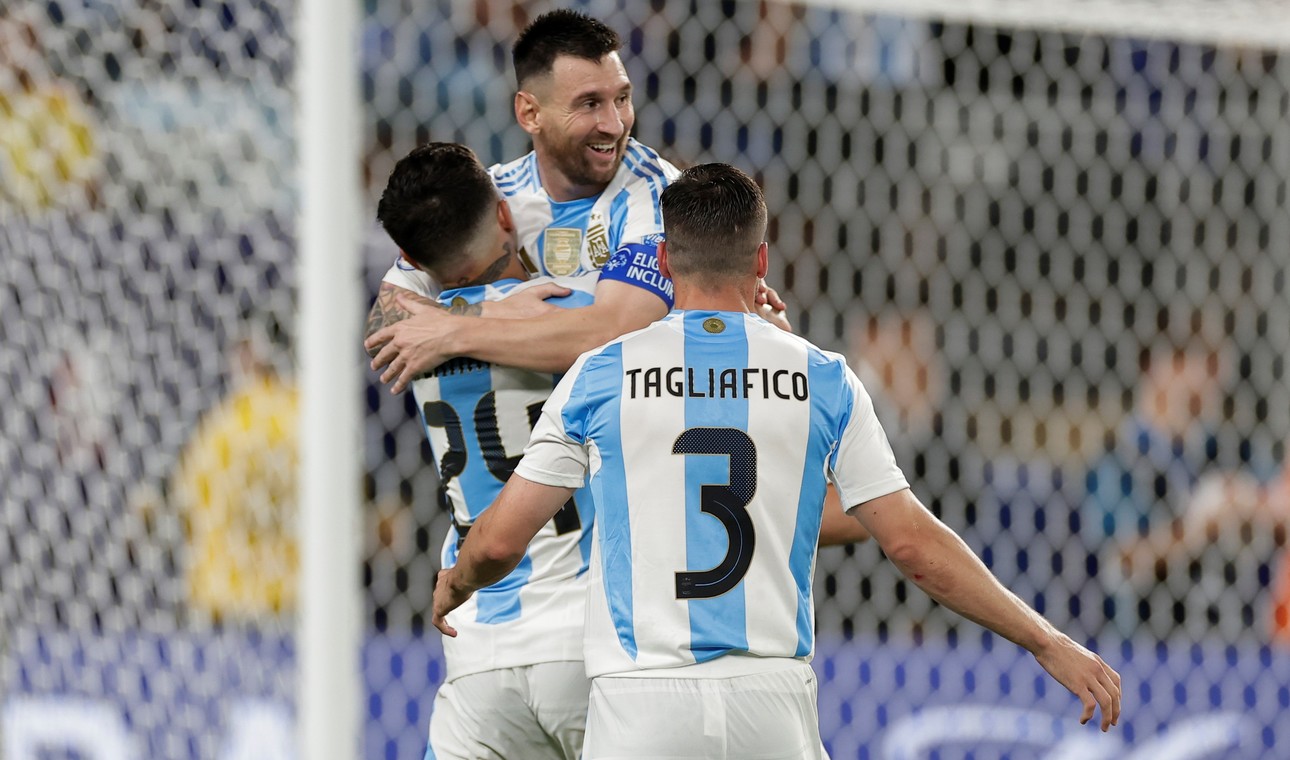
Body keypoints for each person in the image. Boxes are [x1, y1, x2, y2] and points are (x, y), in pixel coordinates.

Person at [432, 163, 1121, 759]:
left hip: (640, 701)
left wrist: (459, 581)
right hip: (771, 699)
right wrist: (1044, 640)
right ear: (761, 261)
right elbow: (911, 545)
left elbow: (498, 541)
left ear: (665, 261)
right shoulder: (821, 378)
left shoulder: (601, 374)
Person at [379, 142, 863, 760]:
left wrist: (465, 315)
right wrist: (753, 328)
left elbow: (384, 319)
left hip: (479, 646)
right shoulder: (585, 327)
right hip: (589, 637)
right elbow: (628, 329)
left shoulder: (411, 337)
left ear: (411, 258)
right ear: (506, 217)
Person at [363, 9, 787, 387]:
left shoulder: (658, 193)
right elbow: (387, 323)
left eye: (622, 98)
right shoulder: (490, 194)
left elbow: (612, 333)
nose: (615, 124)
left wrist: (453, 330)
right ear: (530, 113)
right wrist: (505, 311)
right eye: (589, 104)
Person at [169, 314, 298, 622]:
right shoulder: (306, 416)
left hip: (224, 598)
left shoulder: (222, 423)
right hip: (294, 598)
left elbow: (186, 499)